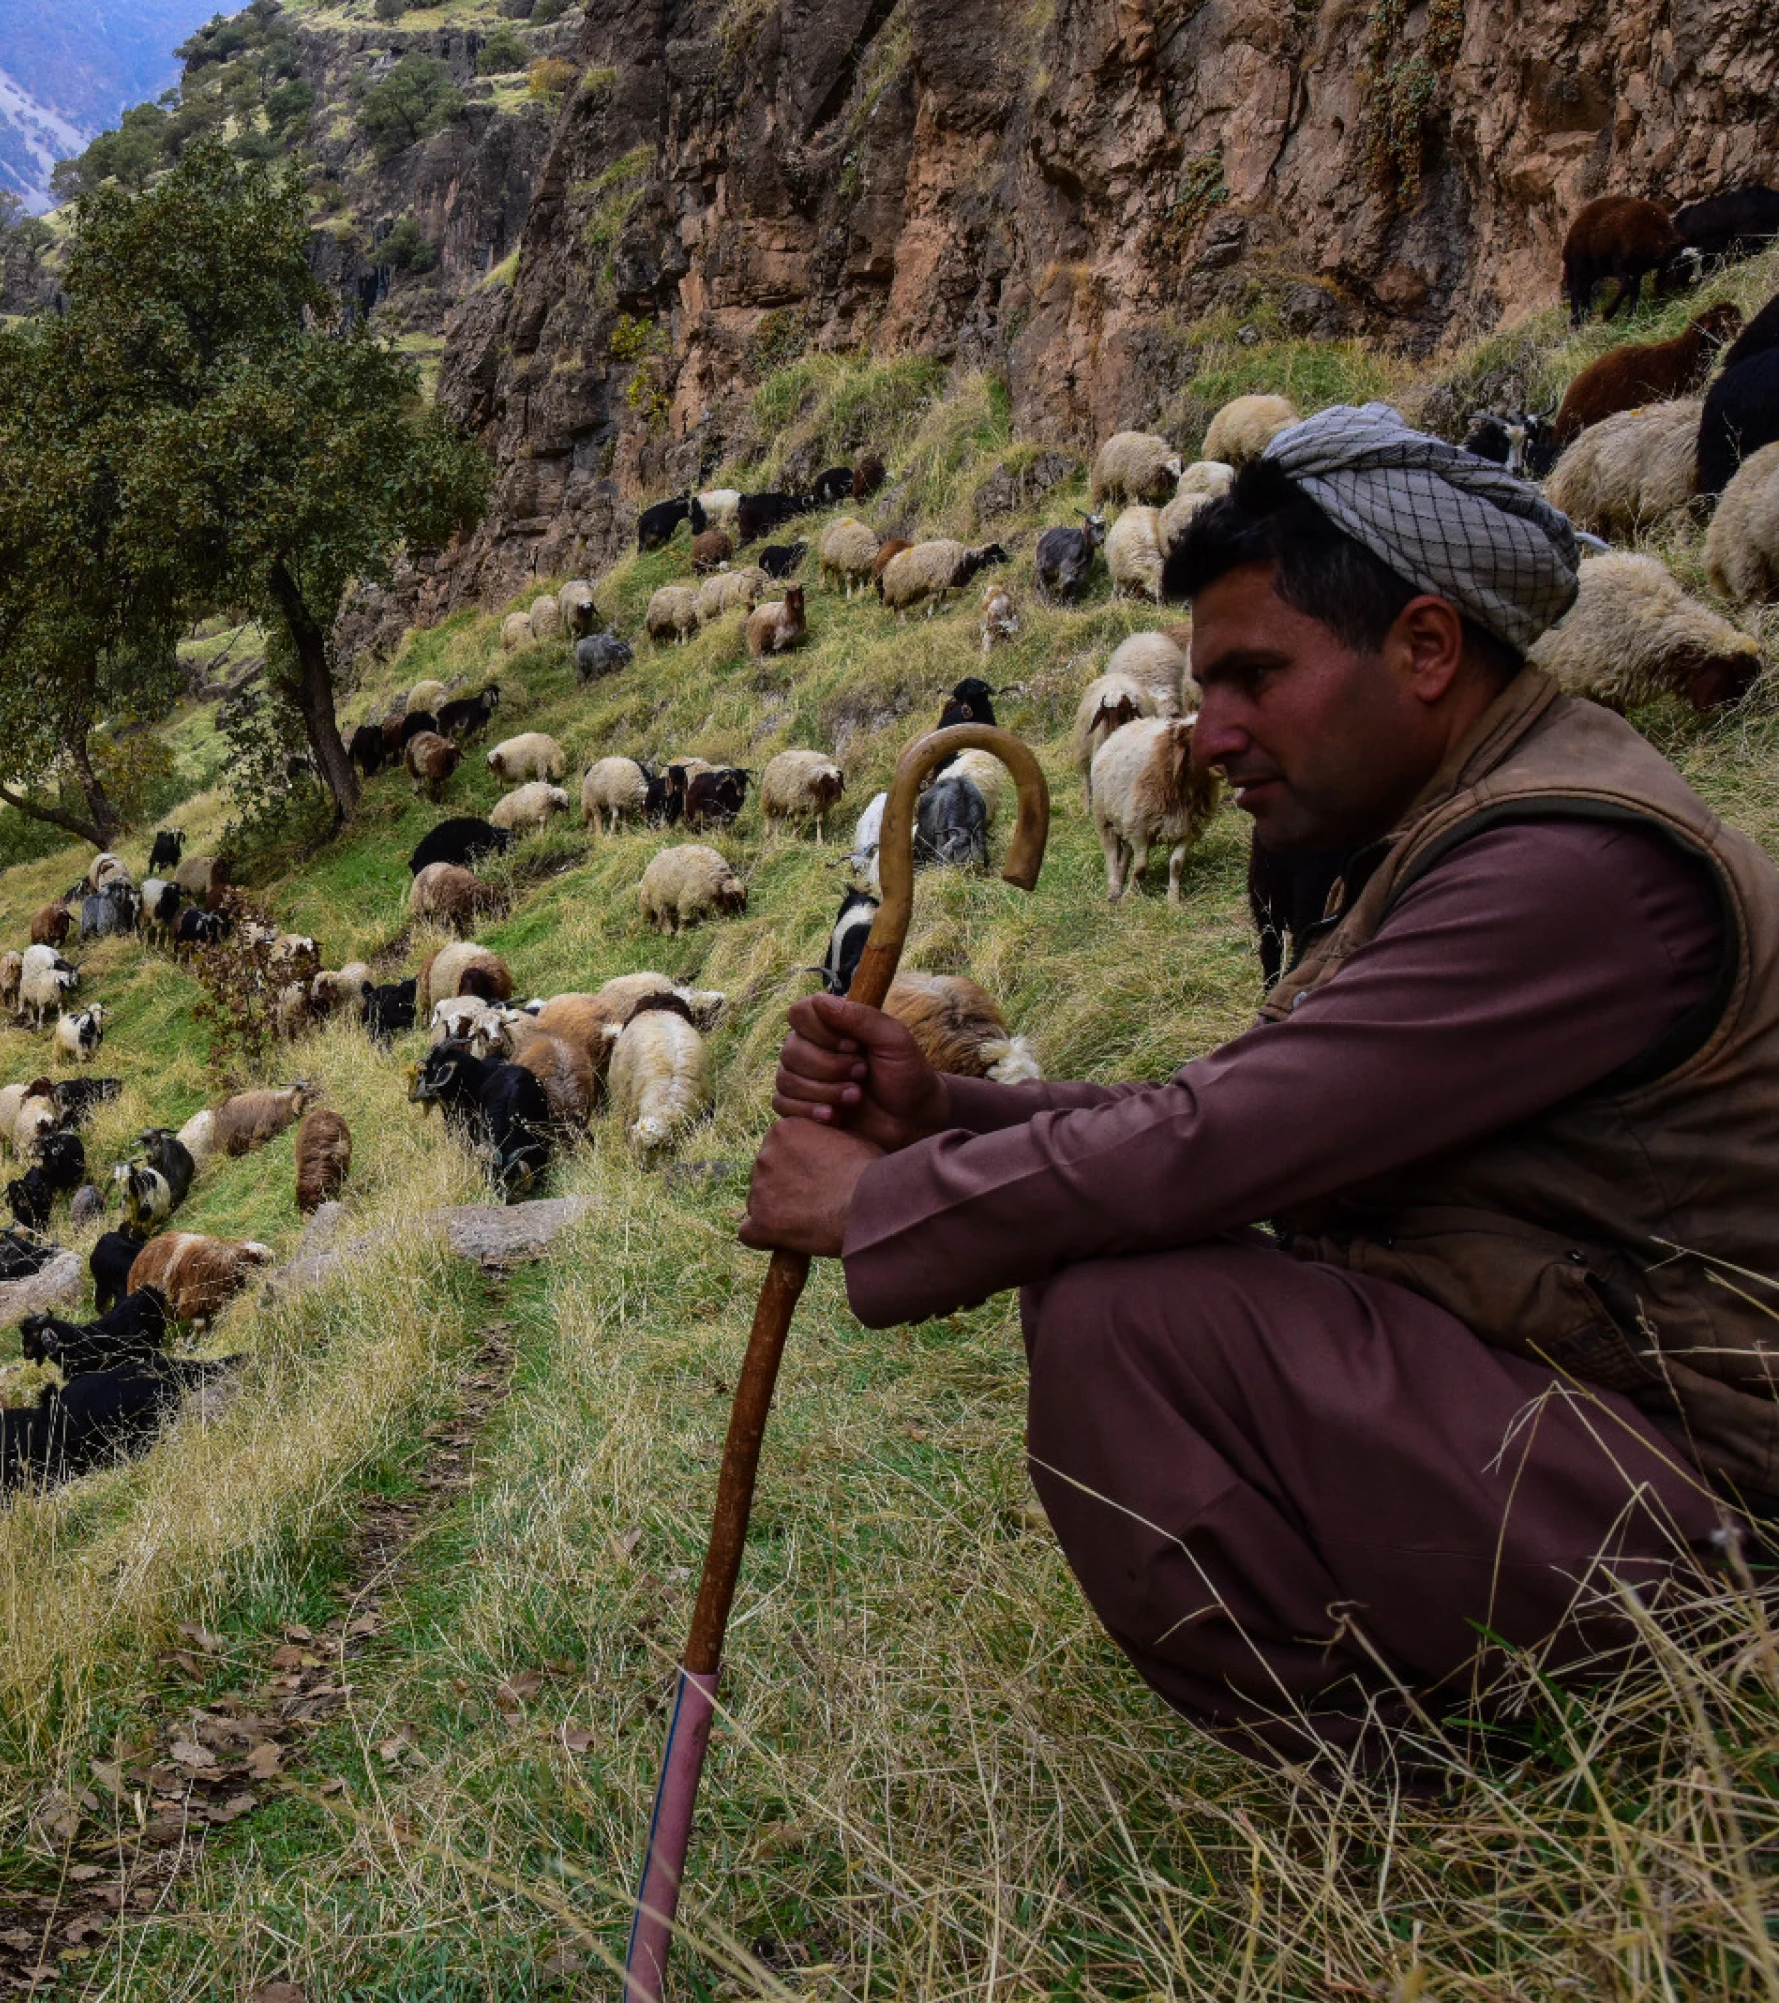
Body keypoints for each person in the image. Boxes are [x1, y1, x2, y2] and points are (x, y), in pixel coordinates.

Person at [739, 403, 1779, 1774]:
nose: (1211, 733)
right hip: (1604, 1425)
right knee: (1123, 1275)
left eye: (1253, 677)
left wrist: (883, 1203)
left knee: (1127, 1318)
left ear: (1424, 646)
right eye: (1199, 684)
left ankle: (1420, 1781)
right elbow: (1252, 1119)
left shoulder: (1565, 873)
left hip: (1720, 1523)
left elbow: (1220, 1141)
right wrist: (948, 1112)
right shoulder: (1462, 824)